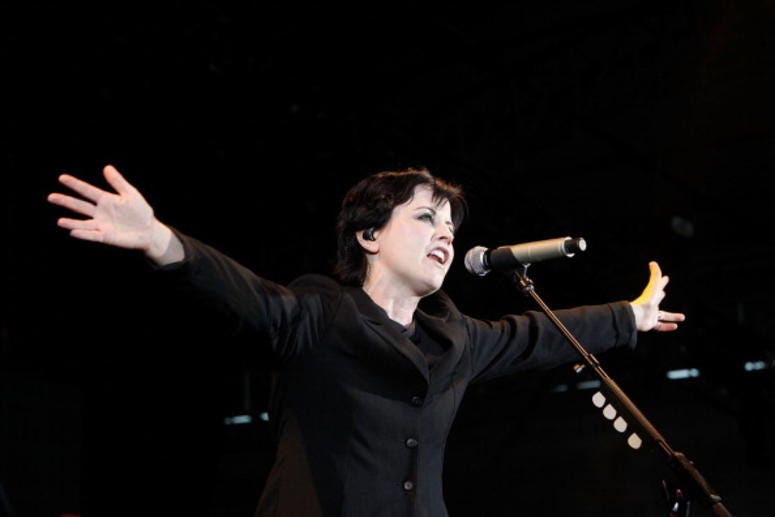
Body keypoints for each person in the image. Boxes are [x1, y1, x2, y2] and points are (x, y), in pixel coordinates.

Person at [47, 164, 685, 517]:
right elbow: (245, 293)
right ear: (369, 236)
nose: (446, 234)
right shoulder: (322, 315)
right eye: (425, 217)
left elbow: (535, 335)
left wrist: (629, 316)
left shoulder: (454, 339)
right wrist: (160, 239)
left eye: (452, 227)